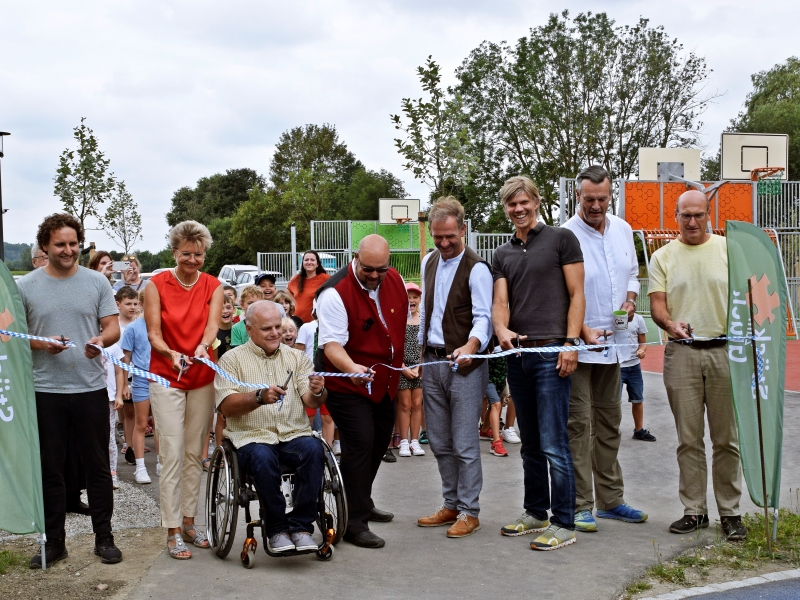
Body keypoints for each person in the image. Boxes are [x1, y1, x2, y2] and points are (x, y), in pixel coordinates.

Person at [19, 213, 123, 568]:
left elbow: (112, 328)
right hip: (44, 390)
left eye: (74, 243)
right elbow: (14, 338)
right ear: (45, 245)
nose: (68, 250)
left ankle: (104, 538)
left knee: (96, 467)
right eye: (60, 244)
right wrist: (41, 344)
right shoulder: (26, 286)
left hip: (89, 387)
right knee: (51, 469)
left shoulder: (96, 282)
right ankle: (54, 543)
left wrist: (100, 340)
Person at [491, 175, 585, 551]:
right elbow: (501, 304)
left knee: (553, 443)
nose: (518, 209)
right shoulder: (502, 253)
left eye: (524, 202)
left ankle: (565, 522)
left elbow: (577, 293)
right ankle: (536, 512)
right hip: (520, 356)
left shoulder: (562, 239)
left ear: (536, 202)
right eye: (511, 204)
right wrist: (501, 330)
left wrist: (570, 343)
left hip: (552, 354)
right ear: (506, 209)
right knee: (529, 442)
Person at [649, 189, 746, 540]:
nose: (692, 221)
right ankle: (694, 511)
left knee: (727, 439)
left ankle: (731, 513)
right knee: (688, 440)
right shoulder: (662, 257)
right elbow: (658, 306)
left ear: (710, 215)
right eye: (685, 215)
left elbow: (748, 297)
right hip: (682, 353)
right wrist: (670, 324)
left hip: (726, 352)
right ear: (675, 216)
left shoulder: (730, 251)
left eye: (699, 215)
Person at [563, 165, 647, 533]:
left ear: (610, 196)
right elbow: (560, 293)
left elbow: (632, 273)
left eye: (601, 198)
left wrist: (630, 300)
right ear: (577, 197)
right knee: (578, 426)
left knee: (610, 423)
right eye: (588, 199)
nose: (595, 205)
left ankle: (611, 501)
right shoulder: (565, 235)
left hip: (616, 345)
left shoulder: (623, 229)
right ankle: (580, 505)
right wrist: (580, 330)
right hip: (579, 349)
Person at [316, 234, 408, 548]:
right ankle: (352, 522)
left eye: (380, 270)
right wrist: (353, 369)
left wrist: (404, 363)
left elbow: (394, 329)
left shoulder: (393, 280)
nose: (374, 276)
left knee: (380, 442)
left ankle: (361, 500)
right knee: (360, 442)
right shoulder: (334, 293)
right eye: (367, 268)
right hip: (346, 382)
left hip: (383, 381)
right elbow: (331, 346)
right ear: (356, 257)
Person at [215, 301, 328, 553]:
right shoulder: (231, 360)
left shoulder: (297, 358)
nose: (275, 333)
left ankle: (300, 528)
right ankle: (277, 530)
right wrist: (257, 397)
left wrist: (318, 392)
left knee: (313, 449)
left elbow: (311, 401)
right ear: (249, 329)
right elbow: (225, 407)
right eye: (267, 328)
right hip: (250, 437)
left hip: (292, 433)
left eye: (278, 326)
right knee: (262, 456)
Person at [144, 220, 224, 559]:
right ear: (174, 252)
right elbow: (153, 334)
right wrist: (171, 354)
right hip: (166, 375)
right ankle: (172, 529)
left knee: (195, 453)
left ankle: (191, 522)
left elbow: (211, 328)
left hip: (202, 376)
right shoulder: (155, 285)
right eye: (186, 254)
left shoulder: (213, 285)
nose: (192, 260)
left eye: (199, 254)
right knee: (172, 453)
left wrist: (204, 348)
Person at [416, 197, 492, 539]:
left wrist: (471, 347)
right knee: (440, 441)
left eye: (450, 236)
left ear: (463, 229)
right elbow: (424, 316)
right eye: (438, 236)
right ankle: (450, 503)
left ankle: (469, 511)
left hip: (465, 365)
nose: (444, 243)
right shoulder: (428, 262)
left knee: (464, 443)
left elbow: (484, 319)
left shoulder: (477, 268)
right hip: (431, 361)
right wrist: (418, 356)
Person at [121, 288, 160, 484]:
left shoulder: (164, 325)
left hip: (162, 380)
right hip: (141, 380)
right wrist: (124, 384)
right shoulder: (133, 328)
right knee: (141, 423)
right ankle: (140, 467)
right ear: (142, 304)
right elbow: (125, 358)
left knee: (161, 424)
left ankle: (162, 462)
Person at [396, 282, 424, 458]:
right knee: (405, 404)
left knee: (417, 404)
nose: (412, 300)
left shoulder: (423, 320)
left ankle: (415, 441)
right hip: (402, 368)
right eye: (408, 297)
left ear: (420, 299)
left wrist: (420, 366)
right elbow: (394, 347)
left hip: (420, 368)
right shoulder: (398, 320)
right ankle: (403, 441)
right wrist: (403, 368)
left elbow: (425, 347)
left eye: (415, 297)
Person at [114, 285, 141, 467]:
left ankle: (135, 444)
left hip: (138, 373)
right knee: (128, 412)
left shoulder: (140, 323)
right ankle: (129, 445)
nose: (132, 307)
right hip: (122, 373)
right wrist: (122, 383)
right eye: (128, 303)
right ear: (118, 305)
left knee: (142, 413)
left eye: (135, 303)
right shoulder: (114, 327)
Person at [621, 313, 655, 442]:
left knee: (638, 399)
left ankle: (639, 431)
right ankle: (609, 432)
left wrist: (642, 350)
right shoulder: (613, 317)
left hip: (634, 366)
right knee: (613, 403)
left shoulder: (638, 319)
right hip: (616, 367)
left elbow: (643, 343)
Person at [288, 250, 331, 323]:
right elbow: (288, 289)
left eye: (312, 260)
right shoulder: (297, 278)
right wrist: (295, 303)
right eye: (306, 260)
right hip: (297, 323)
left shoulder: (325, 278)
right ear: (303, 263)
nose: (309, 262)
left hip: (316, 324)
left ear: (317, 264)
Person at [481, 353, 509, 457]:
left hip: (501, 370)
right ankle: (496, 443)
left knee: (496, 404)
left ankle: (484, 429)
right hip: (487, 372)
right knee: (496, 404)